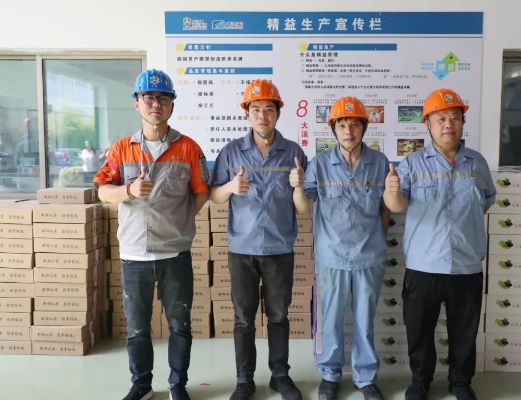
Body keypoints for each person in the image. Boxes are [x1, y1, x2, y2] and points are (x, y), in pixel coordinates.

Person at [94, 69, 209, 400]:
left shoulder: (189, 148)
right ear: (137, 103)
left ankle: (177, 385)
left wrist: (181, 219)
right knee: (137, 328)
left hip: (175, 253)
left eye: (163, 98)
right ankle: (142, 385)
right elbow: (102, 190)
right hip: (134, 255)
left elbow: (201, 192)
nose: (156, 104)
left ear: (172, 104)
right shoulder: (122, 149)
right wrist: (128, 190)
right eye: (149, 98)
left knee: (180, 326)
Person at [293, 96, 405, 400]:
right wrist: (297, 186)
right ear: (334, 129)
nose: (348, 131)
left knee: (365, 321)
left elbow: (385, 209)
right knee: (331, 319)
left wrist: (377, 239)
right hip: (332, 257)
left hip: (370, 256)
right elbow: (303, 206)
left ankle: (365, 377)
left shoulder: (379, 163)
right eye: (342, 124)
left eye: (354, 124)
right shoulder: (319, 164)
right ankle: (330, 374)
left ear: (363, 127)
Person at [209, 80, 307, 400]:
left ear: (278, 113)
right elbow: (215, 196)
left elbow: (303, 207)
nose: (262, 115)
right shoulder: (231, 152)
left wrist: (298, 186)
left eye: (268, 109)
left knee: (279, 316)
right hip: (242, 250)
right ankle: (244, 380)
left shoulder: (293, 153)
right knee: (243, 319)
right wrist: (230, 188)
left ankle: (280, 375)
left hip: (279, 249)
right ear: (247, 114)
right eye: (255, 109)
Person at [396, 88, 496, 400]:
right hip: (423, 265)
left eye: (455, 117)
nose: (448, 124)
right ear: (427, 124)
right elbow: (397, 204)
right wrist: (389, 191)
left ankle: (461, 383)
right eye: (441, 118)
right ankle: (420, 382)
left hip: (466, 264)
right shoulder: (412, 163)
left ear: (463, 123)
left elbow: (486, 201)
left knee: (464, 332)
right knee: (419, 330)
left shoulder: (477, 163)